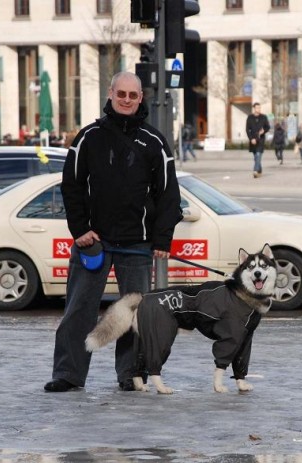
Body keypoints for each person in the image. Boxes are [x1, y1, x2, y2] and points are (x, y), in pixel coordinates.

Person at [44, 71, 182, 393]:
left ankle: (131, 376)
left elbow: (169, 194)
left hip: (137, 244)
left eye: (132, 96)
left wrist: (162, 239)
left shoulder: (154, 142)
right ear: (110, 93)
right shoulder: (88, 137)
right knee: (78, 310)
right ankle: (68, 374)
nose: (126, 100)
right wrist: (79, 230)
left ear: (140, 99)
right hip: (94, 243)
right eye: (121, 94)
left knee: (135, 316)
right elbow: (72, 186)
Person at [245, 102, 270, 178]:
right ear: (254, 108)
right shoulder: (250, 117)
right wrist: (251, 139)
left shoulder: (263, 117)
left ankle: (255, 171)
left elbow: (268, 127)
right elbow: (247, 129)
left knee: (258, 154)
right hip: (253, 140)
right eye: (257, 108)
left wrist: (264, 131)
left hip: (260, 140)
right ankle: (259, 170)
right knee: (256, 157)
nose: (258, 109)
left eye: (259, 108)